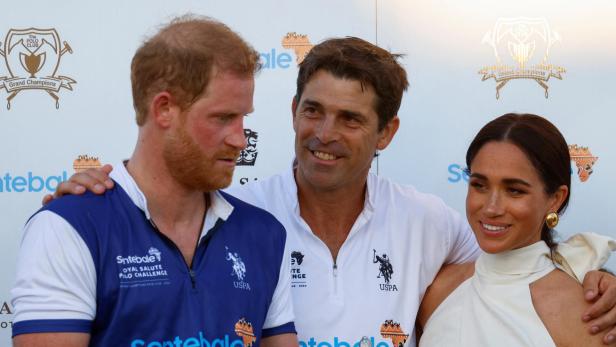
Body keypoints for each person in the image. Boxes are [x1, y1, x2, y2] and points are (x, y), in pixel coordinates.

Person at [46, 38, 616, 346]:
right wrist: (91, 194)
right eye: (313, 110)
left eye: (350, 119)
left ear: (386, 133)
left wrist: (592, 270)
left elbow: (511, 268)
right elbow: (149, 212)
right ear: (292, 111)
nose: (323, 134)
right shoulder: (235, 215)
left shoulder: (431, 222)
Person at [11, 16, 298, 347]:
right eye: (223, 118)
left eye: (243, 118)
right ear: (164, 109)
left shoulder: (263, 233)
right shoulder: (69, 228)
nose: (240, 139)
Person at [417, 113, 614, 346]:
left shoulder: (588, 313)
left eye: (515, 191)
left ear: (555, 199)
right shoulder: (436, 290)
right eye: (479, 185)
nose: (491, 208)